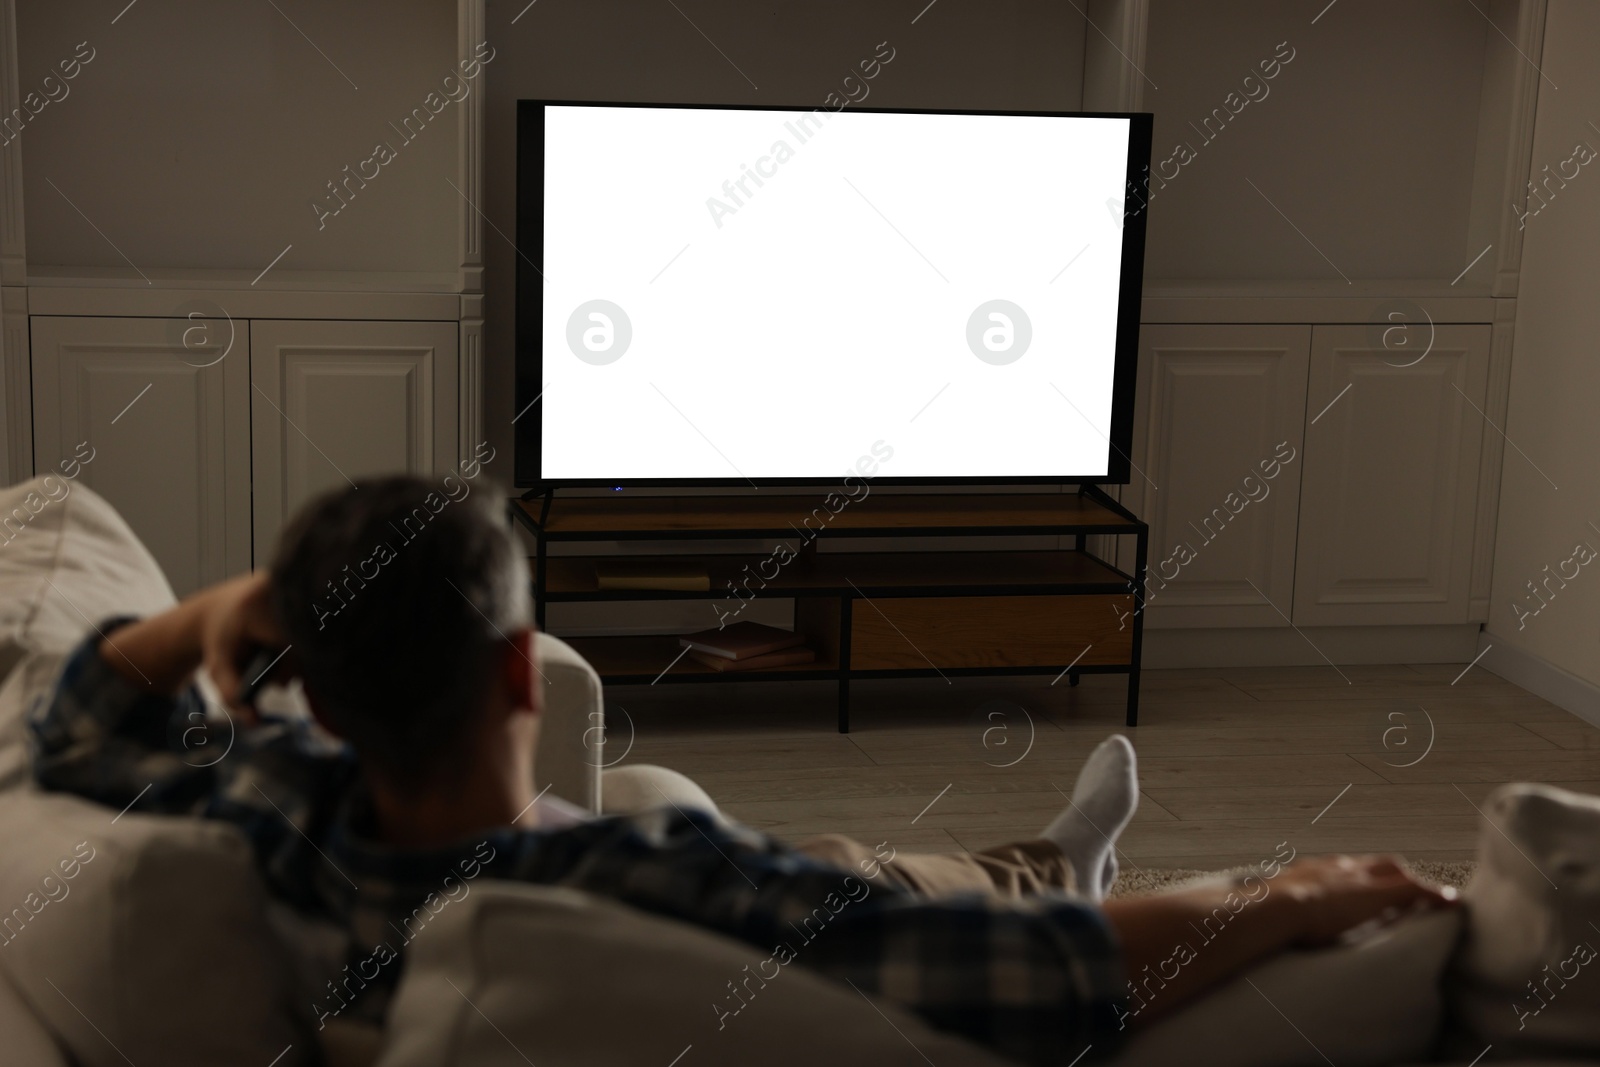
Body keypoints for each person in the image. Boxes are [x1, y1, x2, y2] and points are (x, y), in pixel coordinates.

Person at [30, 476, 1453, 1065]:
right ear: (524, 675)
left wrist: (235, 607)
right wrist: (1276, 896)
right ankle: (1055, 870)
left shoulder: (270, 806)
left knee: (839, 868)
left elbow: (82, 718)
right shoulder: (642, 886)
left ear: (314, 697)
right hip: (776, 909)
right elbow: (1021, 981)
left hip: (455, 806)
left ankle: (1045, 852)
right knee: (854, 883)